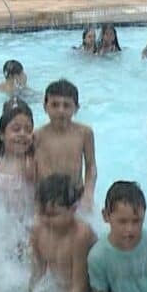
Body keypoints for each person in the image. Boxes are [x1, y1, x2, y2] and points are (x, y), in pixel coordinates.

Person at [28, 174, 97, 292]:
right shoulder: (38, 230)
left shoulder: (80, 235)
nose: (47, 220)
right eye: (42, 214)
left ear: (73, 209)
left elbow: (80, 287)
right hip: (63, 290)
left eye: (53, 215)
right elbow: (38, 272)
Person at [34, 80, 96, 211]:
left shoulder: (84, 133)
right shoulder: (37, 136)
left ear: (76, 108)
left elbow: (91, 166)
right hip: (47, 197)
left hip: (76, 194)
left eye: (66, 105)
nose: (61, 110)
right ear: (45, 107)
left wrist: (88, 193)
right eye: (55, 105)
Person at [0, 98, 38, 221]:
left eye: (28, 130)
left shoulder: (31, 163)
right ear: (2, 135)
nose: (23, 134)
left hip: (23, 222)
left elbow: (39, 198)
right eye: (16, 129)